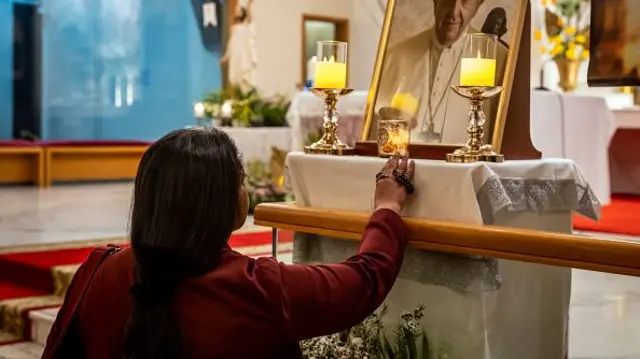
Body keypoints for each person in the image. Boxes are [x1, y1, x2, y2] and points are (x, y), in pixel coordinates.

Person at [42, 127, 416, 359]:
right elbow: (362, 281)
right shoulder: (254, 287)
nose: (245, 192)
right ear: (218, 202)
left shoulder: (100, 268)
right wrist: (387, 207)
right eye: (240, 181)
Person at [376, 0, 508, 144]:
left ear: (477, 5)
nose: (453, 12)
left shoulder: (501, 60)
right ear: (435, 2)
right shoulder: (394, 56)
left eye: (465, 1)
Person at [220, 0, 257, 92]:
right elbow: (231, 44)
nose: (237, 12)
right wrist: (226, 56)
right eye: (236, 11)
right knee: (235, 78)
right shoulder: (233, 28)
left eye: (239, 10)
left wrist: (249, 5)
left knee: (244, 78)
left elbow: (250, 18)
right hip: (235, 56)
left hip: (244, 56)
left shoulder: (246, 26)